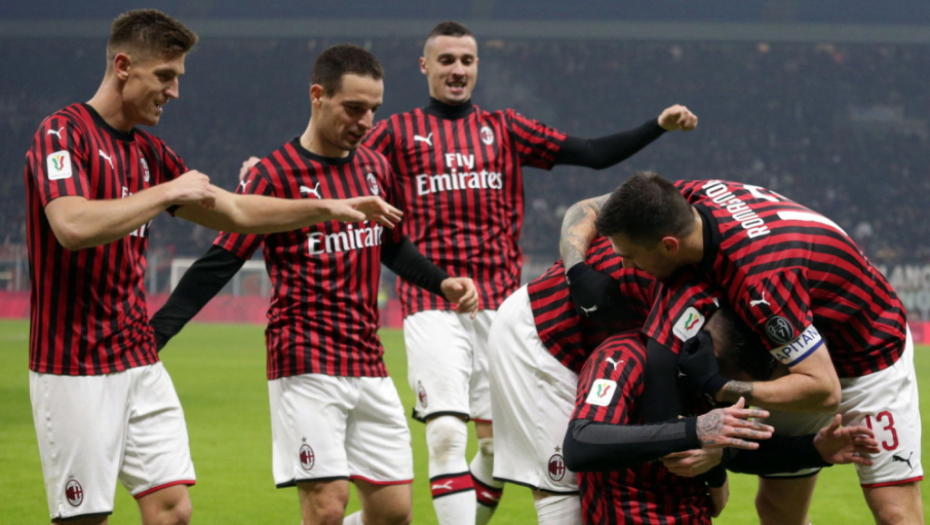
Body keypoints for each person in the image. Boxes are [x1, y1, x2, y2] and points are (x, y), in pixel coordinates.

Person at [24, 11, 401, 525]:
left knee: (173, 511)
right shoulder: (63, 133)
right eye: (165, 76)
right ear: (123, 66)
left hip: (137, 357)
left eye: (177, 76)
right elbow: (71, 225)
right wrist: (165, 193)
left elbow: (238, 211)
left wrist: (327, 207)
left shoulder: (150, 152)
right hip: (73, 364)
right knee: (84, 518)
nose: (174, 91)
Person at [361, 20, 698, 525]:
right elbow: (337, 162)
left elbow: (590, 153)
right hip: (432, 301)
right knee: (447, 432)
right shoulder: (394, 132)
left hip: (499, 308)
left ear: (477, 66)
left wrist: (658, 125)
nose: (457, 70)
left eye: (467, 60)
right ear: (425, 65)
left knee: (494, 448)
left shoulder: (505, 128)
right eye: (447, 60)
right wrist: (266, 173)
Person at [150, 44, 478, 525]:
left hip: (367, 359)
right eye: (354, 108)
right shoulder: (274, 175)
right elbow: (220, 261)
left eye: (373, 109)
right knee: (326, 508)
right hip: (305, 356)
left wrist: (442, 282)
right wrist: (156, 333)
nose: (366, 122)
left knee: (393, 513)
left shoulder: (375, 168)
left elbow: (391, 246)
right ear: (318, 96)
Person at [593, 172, 923, 525]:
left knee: (894, 514)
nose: (627, 266)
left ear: (669, 245)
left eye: (631, 256)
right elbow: (587, 208)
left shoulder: (760, 283)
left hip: (867, 354)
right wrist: (577, 268)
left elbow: (826, 391)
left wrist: (720, 387)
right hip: (788, 362)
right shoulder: (691, 195)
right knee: (778, 512)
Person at [564, 309, 881, 525]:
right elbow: (581, 444)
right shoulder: (624, 356)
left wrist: (814, 450)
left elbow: (738, 451)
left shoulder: (710, 381)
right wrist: (694, 431)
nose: (730, 395)